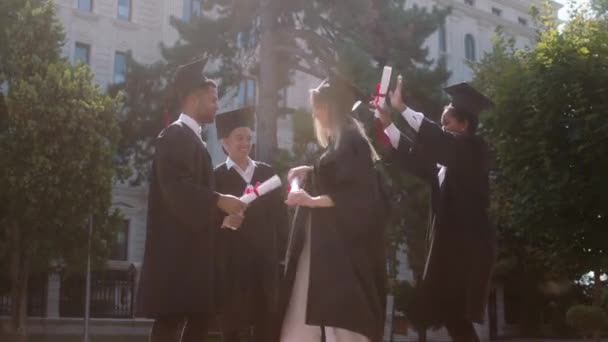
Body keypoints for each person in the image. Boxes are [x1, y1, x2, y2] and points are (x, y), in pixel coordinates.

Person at [374, 77, 496, 342]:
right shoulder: (447, 162)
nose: (442, 127)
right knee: (453, 317)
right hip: (451, 250)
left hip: (469, 249)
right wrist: (388, 125)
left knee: (457, 315)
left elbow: (440, 141)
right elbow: (414, 156)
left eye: (447, 122)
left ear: (464, 125)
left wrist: (402, 107)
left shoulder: (475, 149)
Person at [136, 60, 247, 342]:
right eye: (212, 99)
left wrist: (222, 216)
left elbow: (193, 195)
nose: (217, 105)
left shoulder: (192, 139)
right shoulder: (175, 135)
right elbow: (177, 189)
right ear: (194, 99)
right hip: (176, 255)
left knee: (198, 320)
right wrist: (219, 200)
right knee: (170, 323)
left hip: (192, 253)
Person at [281, 76, 387, 342]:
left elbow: (357, 195)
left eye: (318, 106)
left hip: (341, 251)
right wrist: (309, 170)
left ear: (331, 107)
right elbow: (337, 178)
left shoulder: (352, 142)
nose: (315, 113)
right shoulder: (340, 142)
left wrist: (310, 200)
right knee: (307, 313)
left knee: (341, 321)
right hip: (322, 244)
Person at [213, 107, 288, 342]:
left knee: (268, 326)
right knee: (234, 328)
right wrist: (224, 222)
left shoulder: (266, 173)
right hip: (232, 265)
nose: (245, 143)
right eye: (239, 138)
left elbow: (281, 217)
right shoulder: (215, 178)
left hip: (265, 265)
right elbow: (209, 221)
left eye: (248, 137)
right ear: (224, 142)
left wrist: (280, 255)